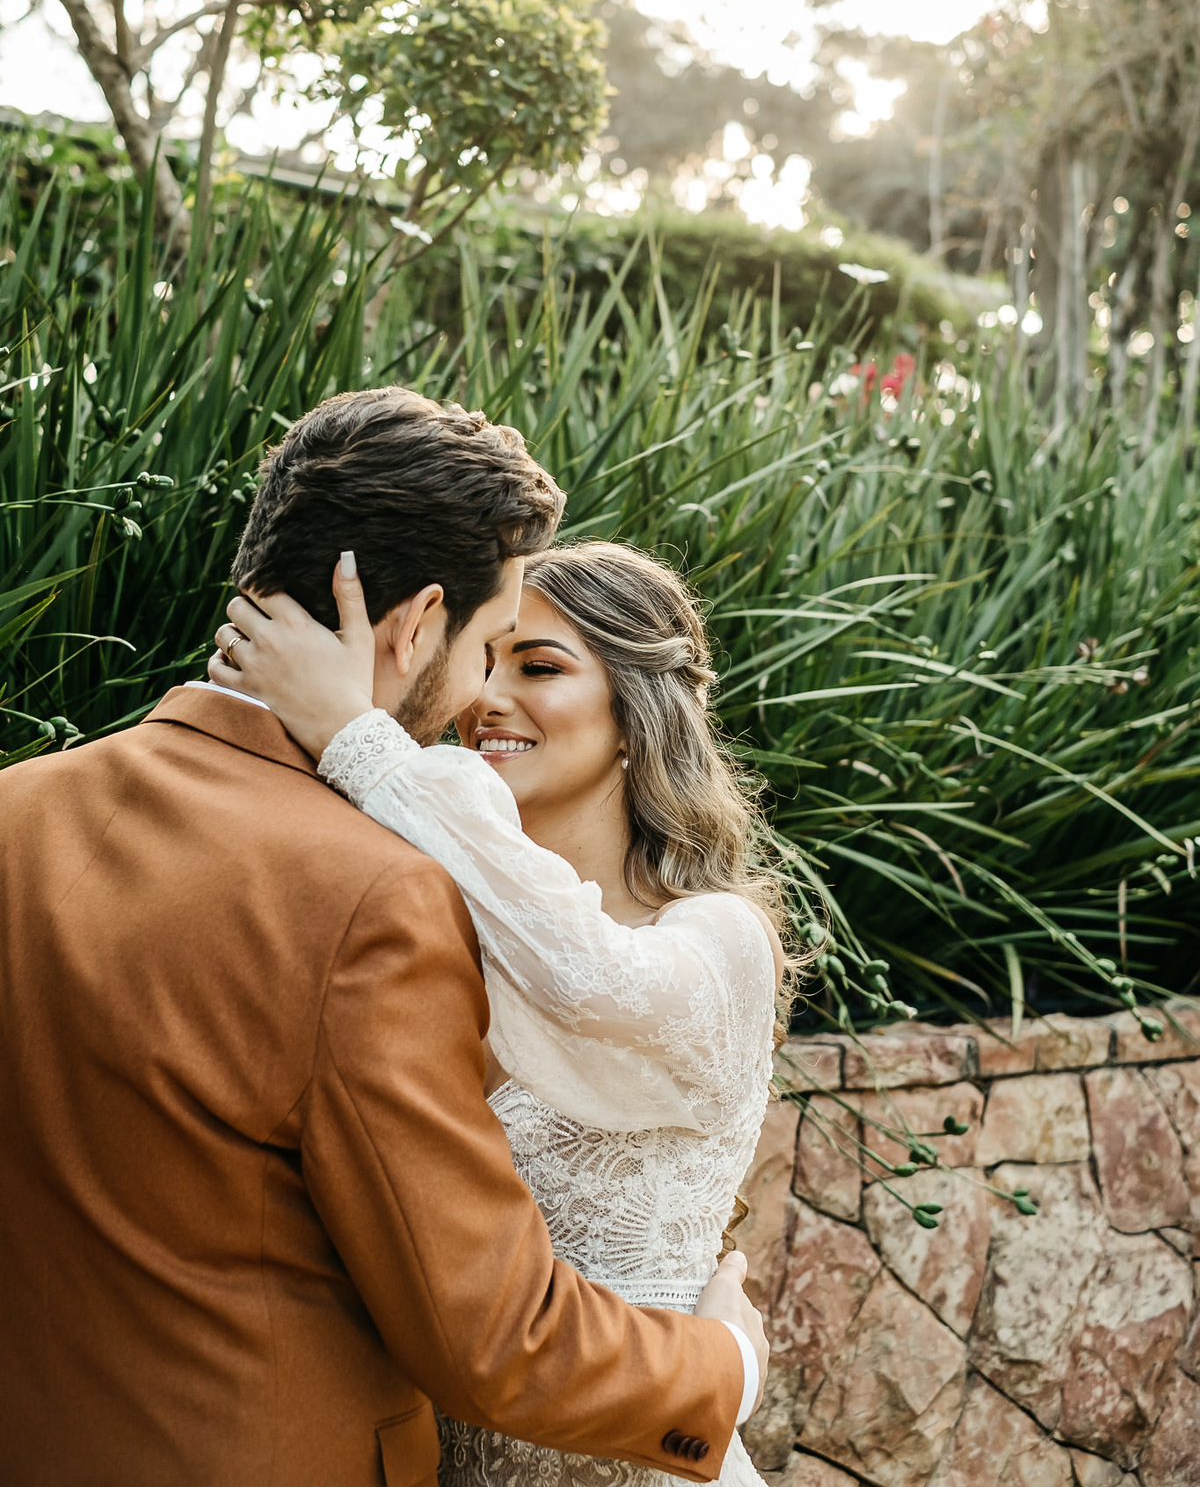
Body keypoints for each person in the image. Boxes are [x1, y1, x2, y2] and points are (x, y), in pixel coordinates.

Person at [0, 387, 766, 1487]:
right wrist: (726, 1368)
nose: (482, 694)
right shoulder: (375, 896)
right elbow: (491, 1334)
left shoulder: (17, 810)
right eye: (492, 645)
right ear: (413, 628)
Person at [208, 534, 793, 1487]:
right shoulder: (428, 923)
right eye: (488, 658)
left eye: (541, 665)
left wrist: (358, 733)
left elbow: (586, 981)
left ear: (637, 717)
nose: (488, 697)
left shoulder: (718, 941)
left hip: (632, 1453)